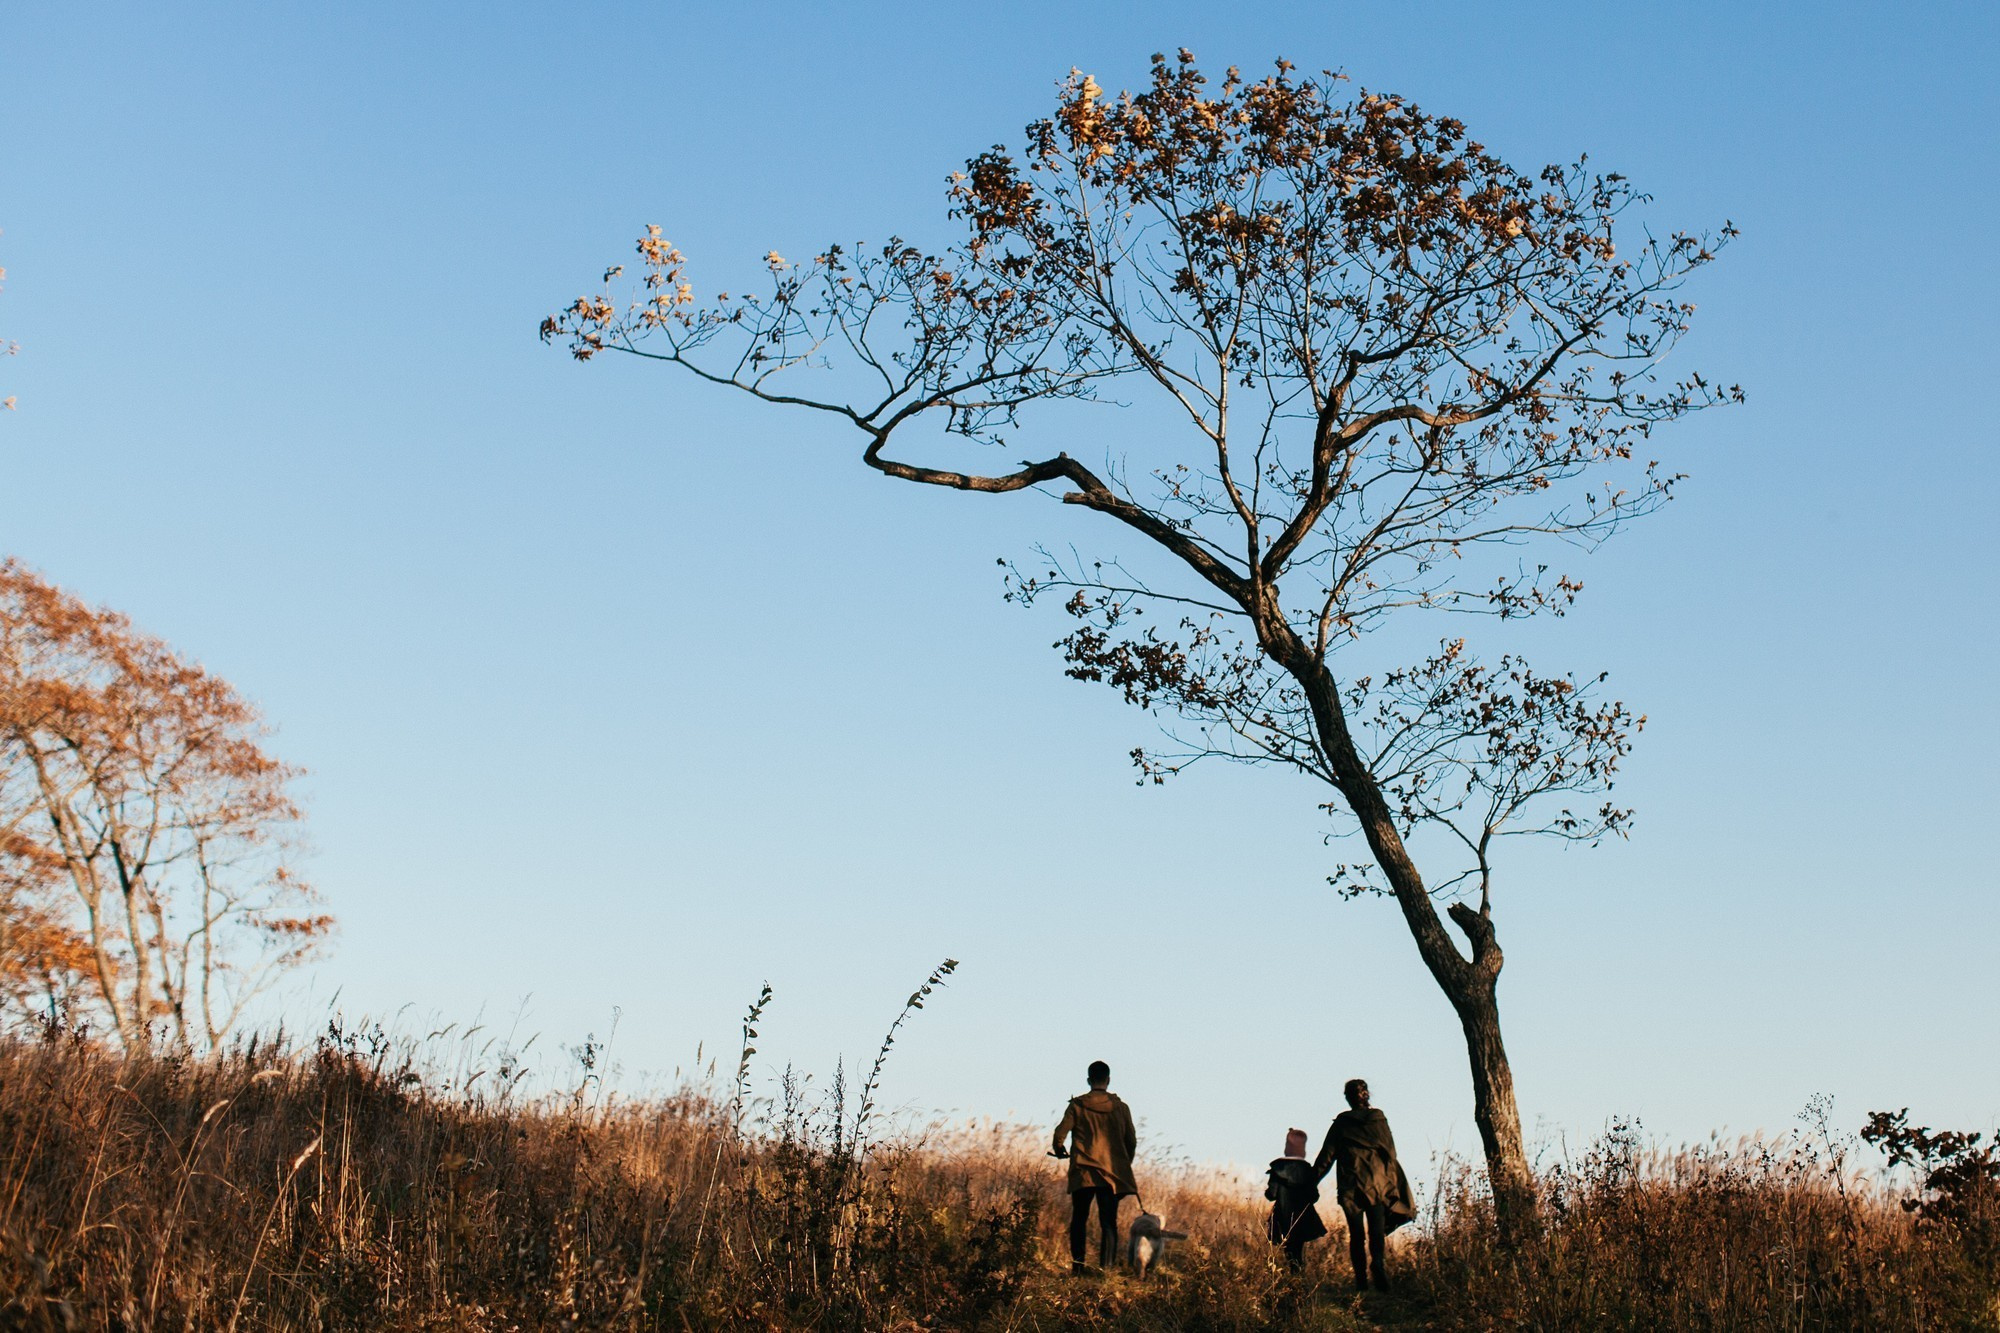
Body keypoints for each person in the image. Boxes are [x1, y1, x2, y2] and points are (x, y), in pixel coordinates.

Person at [1313, 1078, 1415, 1292]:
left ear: (1347, 1098)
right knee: (1376, 1232)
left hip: (1351, 1186)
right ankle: (1378, 1266)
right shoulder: (1379, 1120)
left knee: (1356, 1235)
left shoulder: (1341, 1124)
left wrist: (1310, 1182)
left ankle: (1361, 1282)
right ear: (1366, 1095)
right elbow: (1391, 1153)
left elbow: (1326, 1158)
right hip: (1377, 1184)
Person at [1051, 1060, 1138, 1274]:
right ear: (1108, 1080)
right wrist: (1123, 1164)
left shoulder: (1077, 1106)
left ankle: (1078, 1267)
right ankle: (1105, 1270)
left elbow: (1060, 1134)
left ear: (1089, 1080)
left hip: (1083, 1173)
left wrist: (1059, 1150)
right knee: (1108, 1222)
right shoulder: (1121, 1108)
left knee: (1079, 1219)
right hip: (1111, 1174)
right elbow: (1131, 1140)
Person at [1265, 1126, 1328, 1272]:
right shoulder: (1308, 1171)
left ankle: (1294, 1275)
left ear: (1287, 1147)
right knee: (1298, 1248)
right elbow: (1314, 1196)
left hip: (1282, 1216)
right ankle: (1298, 1274)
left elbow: (1271, 1195)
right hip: (1303, 1217)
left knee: (1288, 1249)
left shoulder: (1277, 1169)